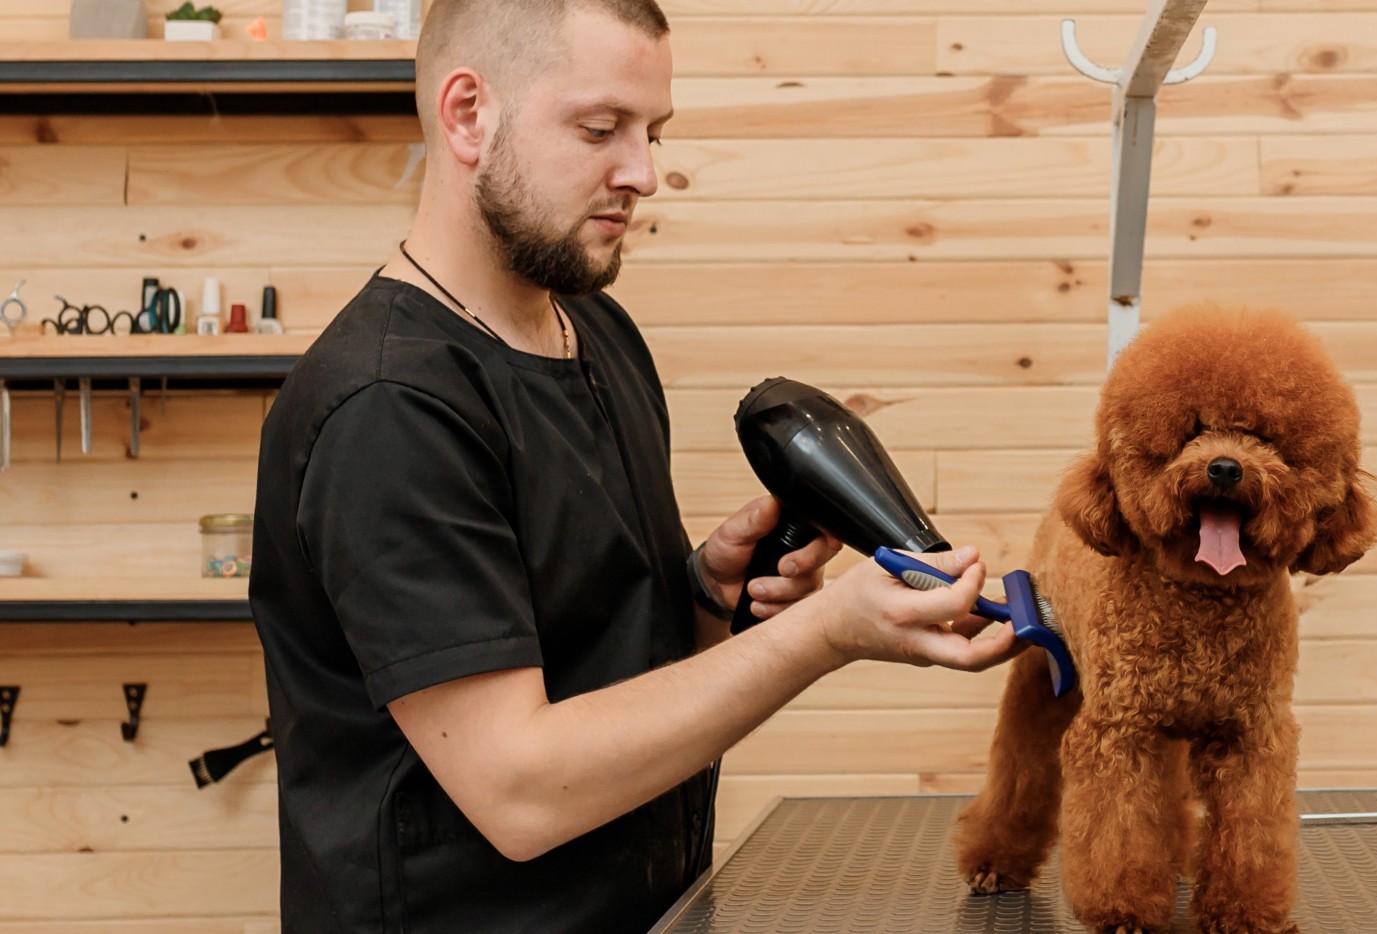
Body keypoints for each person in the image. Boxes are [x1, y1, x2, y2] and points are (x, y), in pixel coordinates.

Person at [247, 1, 1021, 930]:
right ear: (466, 114)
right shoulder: (387, 407)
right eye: (600, 128)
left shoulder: (595, 333)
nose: (643, 173)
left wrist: (701, 596)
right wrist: (824, 636)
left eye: (653, 132)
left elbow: (602, 675)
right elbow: (522, 792)